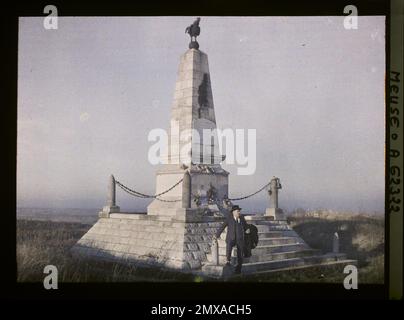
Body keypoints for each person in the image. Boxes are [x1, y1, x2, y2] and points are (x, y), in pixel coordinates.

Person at [213, 205, 250, 274]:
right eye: (238, 211)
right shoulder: (229, 218)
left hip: (239, 239)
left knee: (240, 253)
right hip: (231, 238)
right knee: (229, 248)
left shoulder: (242, 218)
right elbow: (222, 226)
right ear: (233, 212)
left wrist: (247, 229)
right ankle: (228, 262)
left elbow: (246, 226)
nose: (239, 212)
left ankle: (239, 268)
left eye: (239, 211)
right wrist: (217, 235)